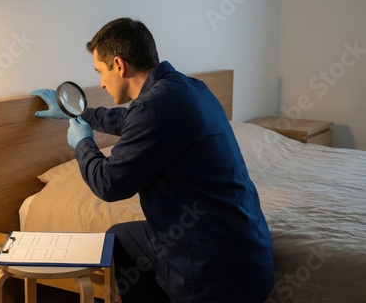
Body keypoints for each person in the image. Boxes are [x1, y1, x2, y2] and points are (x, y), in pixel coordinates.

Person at [32, 17, 274, 303]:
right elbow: (132, 120)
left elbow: (108, 184)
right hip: (248, 246)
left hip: (213, 269)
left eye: (100, 71)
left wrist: (83, 142)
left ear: (119, 65)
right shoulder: (189, 88)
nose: (101, 82)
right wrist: (77, 114)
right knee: (119, 238)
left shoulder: (154, 108)